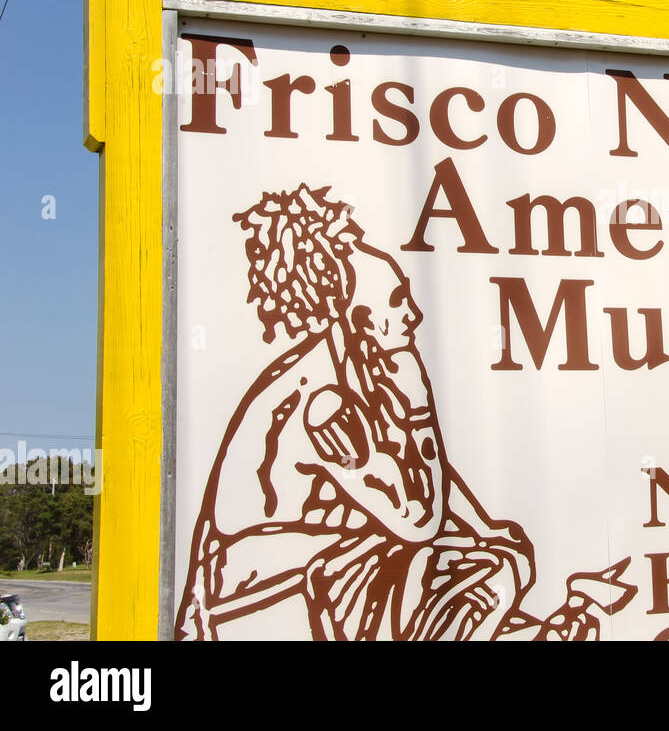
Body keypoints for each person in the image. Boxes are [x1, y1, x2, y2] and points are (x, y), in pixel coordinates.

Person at [176, 185, 632, 640]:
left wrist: (492, 533)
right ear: (354, 319)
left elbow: (428, 482)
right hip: (255, 599)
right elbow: (417, 517)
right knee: (459, 569)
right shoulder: (321, 402)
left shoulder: (356, 374)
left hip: (313, 574)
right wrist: (418, 400)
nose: (413, 314)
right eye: (396, 303)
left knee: (494, 556)